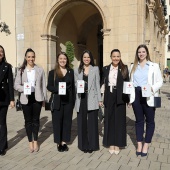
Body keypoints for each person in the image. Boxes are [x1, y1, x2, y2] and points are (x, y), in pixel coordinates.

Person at [129, 44, 163, 157]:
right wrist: (130, 98)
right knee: (139, 121)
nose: (141, 54)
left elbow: (160, 81)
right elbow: (130, 83)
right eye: (139, 52)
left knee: (150, 121)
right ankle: (139, 144)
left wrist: (152, 88)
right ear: (137, 54)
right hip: (136, 95)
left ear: (147, 53)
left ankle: (146, 145)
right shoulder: (132, 66)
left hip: (149, 94)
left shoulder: (154, 66)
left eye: (143, 52)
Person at [14, 48, 46, 153]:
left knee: (36, 120)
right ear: (25, 58)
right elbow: (16, 85)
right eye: (29, 57)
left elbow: (43, 85)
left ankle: (36, 141)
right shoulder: (21, 70)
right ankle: (30, 142)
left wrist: (44, 99)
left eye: (32, 57)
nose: (31, 59)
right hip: (25, 98)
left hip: (37, 98)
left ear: (34, 57)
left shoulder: (40, 70)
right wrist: (24, 89)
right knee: (28, 121)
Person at [101, 49, 129, 155]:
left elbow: (128, 84)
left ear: (120, 57)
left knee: (119, 121)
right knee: (109, 120)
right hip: (109, 96)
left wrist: (129, 100)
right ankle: (110, 143)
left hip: (121, 96)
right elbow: (103, 84)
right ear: (111, 57)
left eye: (118, 56)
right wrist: (101, 98)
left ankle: (118, 143)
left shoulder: (124, 68)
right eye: (114, 56)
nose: (116, 58)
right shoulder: (106, 68)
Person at [74, 50, 103, 153]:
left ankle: (92, 145)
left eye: (88, 57)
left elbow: (97, 85)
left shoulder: (95, 69)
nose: (86, 59)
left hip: (92, 97)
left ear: (91, 58)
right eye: (85, 57)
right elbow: (74, 84)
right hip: (81, 97)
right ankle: (83, 145)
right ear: (82, 58)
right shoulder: (77, 70)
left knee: (92, 122)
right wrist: (78, 86)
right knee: (81, 122)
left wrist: (100, 100)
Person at [47, 52, 75, 152]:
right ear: (57, 60)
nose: (62, 60)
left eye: (64, 59)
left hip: (68, 101)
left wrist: (73, 101)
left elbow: (73, 88)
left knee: (67, 121)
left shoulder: (71, 72)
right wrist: (58, 90)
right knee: (57, 122)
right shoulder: (52, 72)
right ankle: (58, 142)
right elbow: (49, 86)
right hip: (57, 100)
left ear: (67, 60)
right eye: (60, 58)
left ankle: (64, 142)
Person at [0, 45, 15, 156]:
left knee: (2, 123)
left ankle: (2, 146)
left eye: (1, 51)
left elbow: (10, 84)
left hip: (3, 98)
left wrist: (12, 99)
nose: (0, 53)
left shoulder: (7, 66)